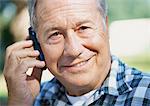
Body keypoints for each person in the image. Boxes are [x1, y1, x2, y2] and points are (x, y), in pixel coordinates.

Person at [3, 0, 150, 106]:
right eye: (55, 34)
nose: (73, 50)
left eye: (84, 28)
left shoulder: (146, 94)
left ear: (106, 27)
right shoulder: (36, 98)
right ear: (36, 44)